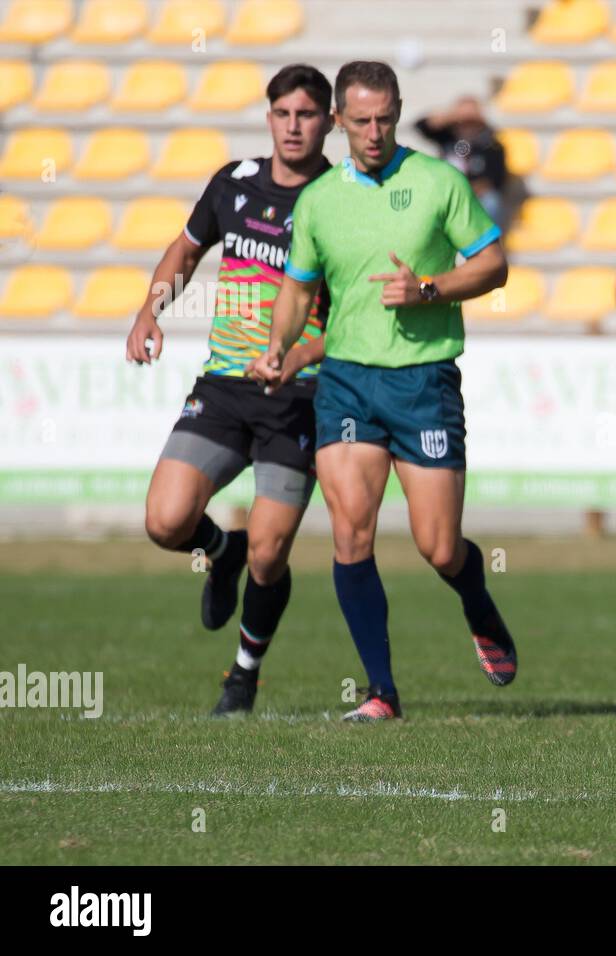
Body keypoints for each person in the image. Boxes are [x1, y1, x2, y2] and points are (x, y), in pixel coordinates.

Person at [249, 61, 515, 722]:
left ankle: (477, 604)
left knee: (439, 547)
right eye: (361, 121)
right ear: (338, 121)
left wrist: (430, 288)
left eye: (385, 118)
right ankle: (381, 692)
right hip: (345, 382)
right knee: (350, 535)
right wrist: (280, 344)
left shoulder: (438, 182)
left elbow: (493, 264)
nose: (374, 132)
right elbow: (299, 287)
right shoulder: (319, 200)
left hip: (423, 382)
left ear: (398, 112)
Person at [125, 64, 334, 716]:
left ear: (326, 121)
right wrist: (150, 309)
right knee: (164, 522)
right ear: (268, 116)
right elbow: (185, 250)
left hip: (299, 395)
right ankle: (222, 549)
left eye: (306, 114)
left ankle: (243, 675)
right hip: (223, 388)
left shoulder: (339, 199)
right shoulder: (233, 184)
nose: (293, 126)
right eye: (282, 113)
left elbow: (356, 310)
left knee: (271, 556)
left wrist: (298, 352)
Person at [415, 95, 508, 225]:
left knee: (491, 201)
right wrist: (452, 116)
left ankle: (487, 241)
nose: (466, 127)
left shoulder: (491, 145)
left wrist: (465, 190)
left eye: (471, 122)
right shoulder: (446, 138)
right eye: (462, 122)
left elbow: (496, 181)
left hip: (476, 197)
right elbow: (420, 125)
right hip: (448, 193)